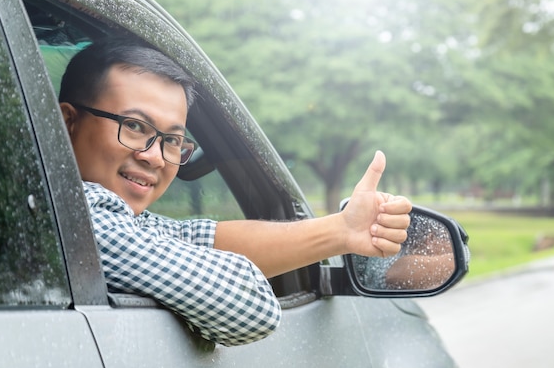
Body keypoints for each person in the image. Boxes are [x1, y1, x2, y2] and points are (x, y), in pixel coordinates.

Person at [58, 37, 412, 346]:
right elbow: (250, 306)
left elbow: (187, 237)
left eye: (172, 140)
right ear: (67, 121)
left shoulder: (100, 218)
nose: (153, 156)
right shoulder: (75, 218)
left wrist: (342, 231)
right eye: (134, 126)